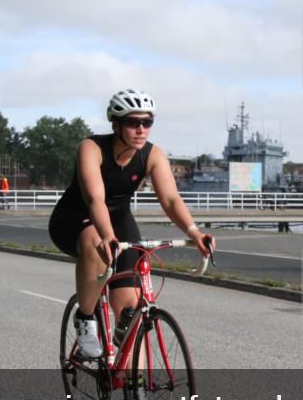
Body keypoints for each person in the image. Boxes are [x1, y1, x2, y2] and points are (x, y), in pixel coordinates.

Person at [49, 89, 213, 359]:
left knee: (130, 310)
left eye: (147, 123)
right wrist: (108, 237)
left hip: (120, 218)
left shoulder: (152, 155)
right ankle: (85, 318)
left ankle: (131, 387)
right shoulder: (91, 148)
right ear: (115, 124)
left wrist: (194, 232)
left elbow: (171, 199)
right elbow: (95, 198)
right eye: (132, 122)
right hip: (75, 217)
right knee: (95, 244)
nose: (140, 129)